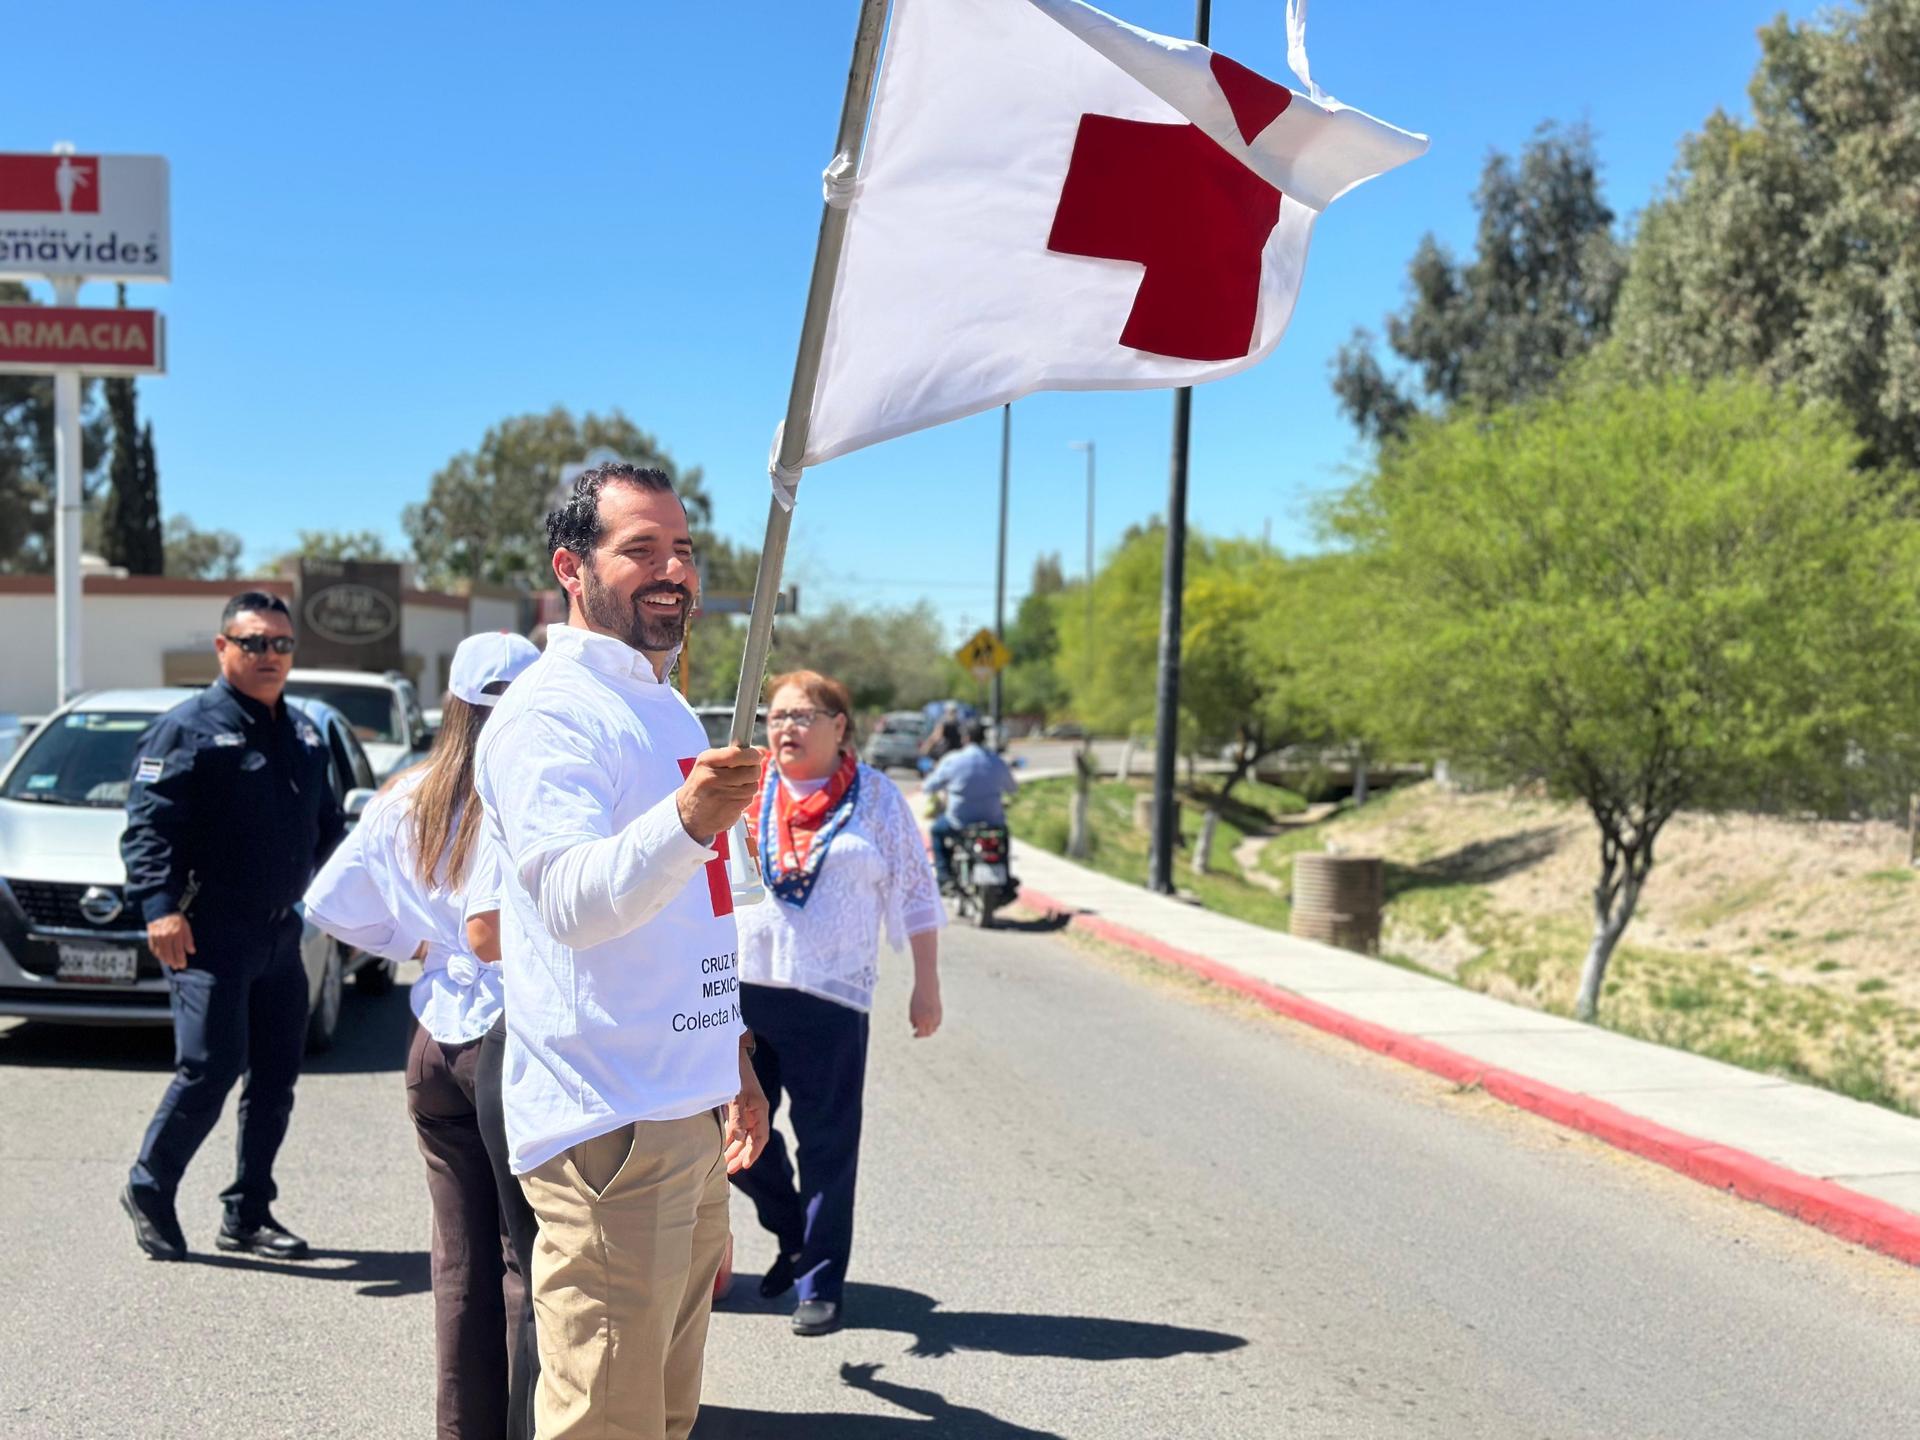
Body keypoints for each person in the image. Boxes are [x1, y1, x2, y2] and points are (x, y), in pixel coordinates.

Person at [473, 461, 770, 1440]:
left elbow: (699, 916)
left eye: (683, 549)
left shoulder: (669, 706)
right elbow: (569, 901)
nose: (672, 569)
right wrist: (689, 816)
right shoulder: (547, 713)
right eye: (640, 548)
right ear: (572, 567)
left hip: (683, 1112)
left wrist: (734, 1061)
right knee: (604, 1424)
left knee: (664, 1419)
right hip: (610, 1126)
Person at [303, 631, 539, 1440]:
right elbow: (491, 935)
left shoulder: (407, 794)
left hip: (435, 1041)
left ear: (454, 706)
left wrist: (416, 944)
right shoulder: (527, 791)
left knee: (461, 1265)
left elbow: (330, 906)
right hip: (516, 1041)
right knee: (528, 1263)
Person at [120, 590, 344, 1262]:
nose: (270, 654)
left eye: (280, 643)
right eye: (253, 642)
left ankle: (248, 1212)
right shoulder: (186, 728)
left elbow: (328, 830)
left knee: (276, 1075)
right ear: (223, 648)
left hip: (281, 935)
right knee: (210, 1068)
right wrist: (158, 907)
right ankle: (149, 1185)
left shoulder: (303, 731)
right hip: (208, 932)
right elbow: (148, 827)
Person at [732, 670, 944, 1337]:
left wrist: (926, 984)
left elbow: (915, 891)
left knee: (828, 1145)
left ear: (838, 725)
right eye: (776, 715)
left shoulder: (877, 800)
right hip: (740, 992)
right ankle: (793, 1231)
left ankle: (821, 1282)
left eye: (802, 715)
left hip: (831, 996)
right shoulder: (744, 787)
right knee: (730, 1137)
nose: (785, 727)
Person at [923, 718, 1018, 890]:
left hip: (959, 821)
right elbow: (1012, 788)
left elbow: (929, 786)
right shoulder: (996, 761)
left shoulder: (953, 760)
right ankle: (1006, 877)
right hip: (992, 821)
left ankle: (944, 878)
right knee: (1003, 836)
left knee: (936, 831)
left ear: (965, 738)